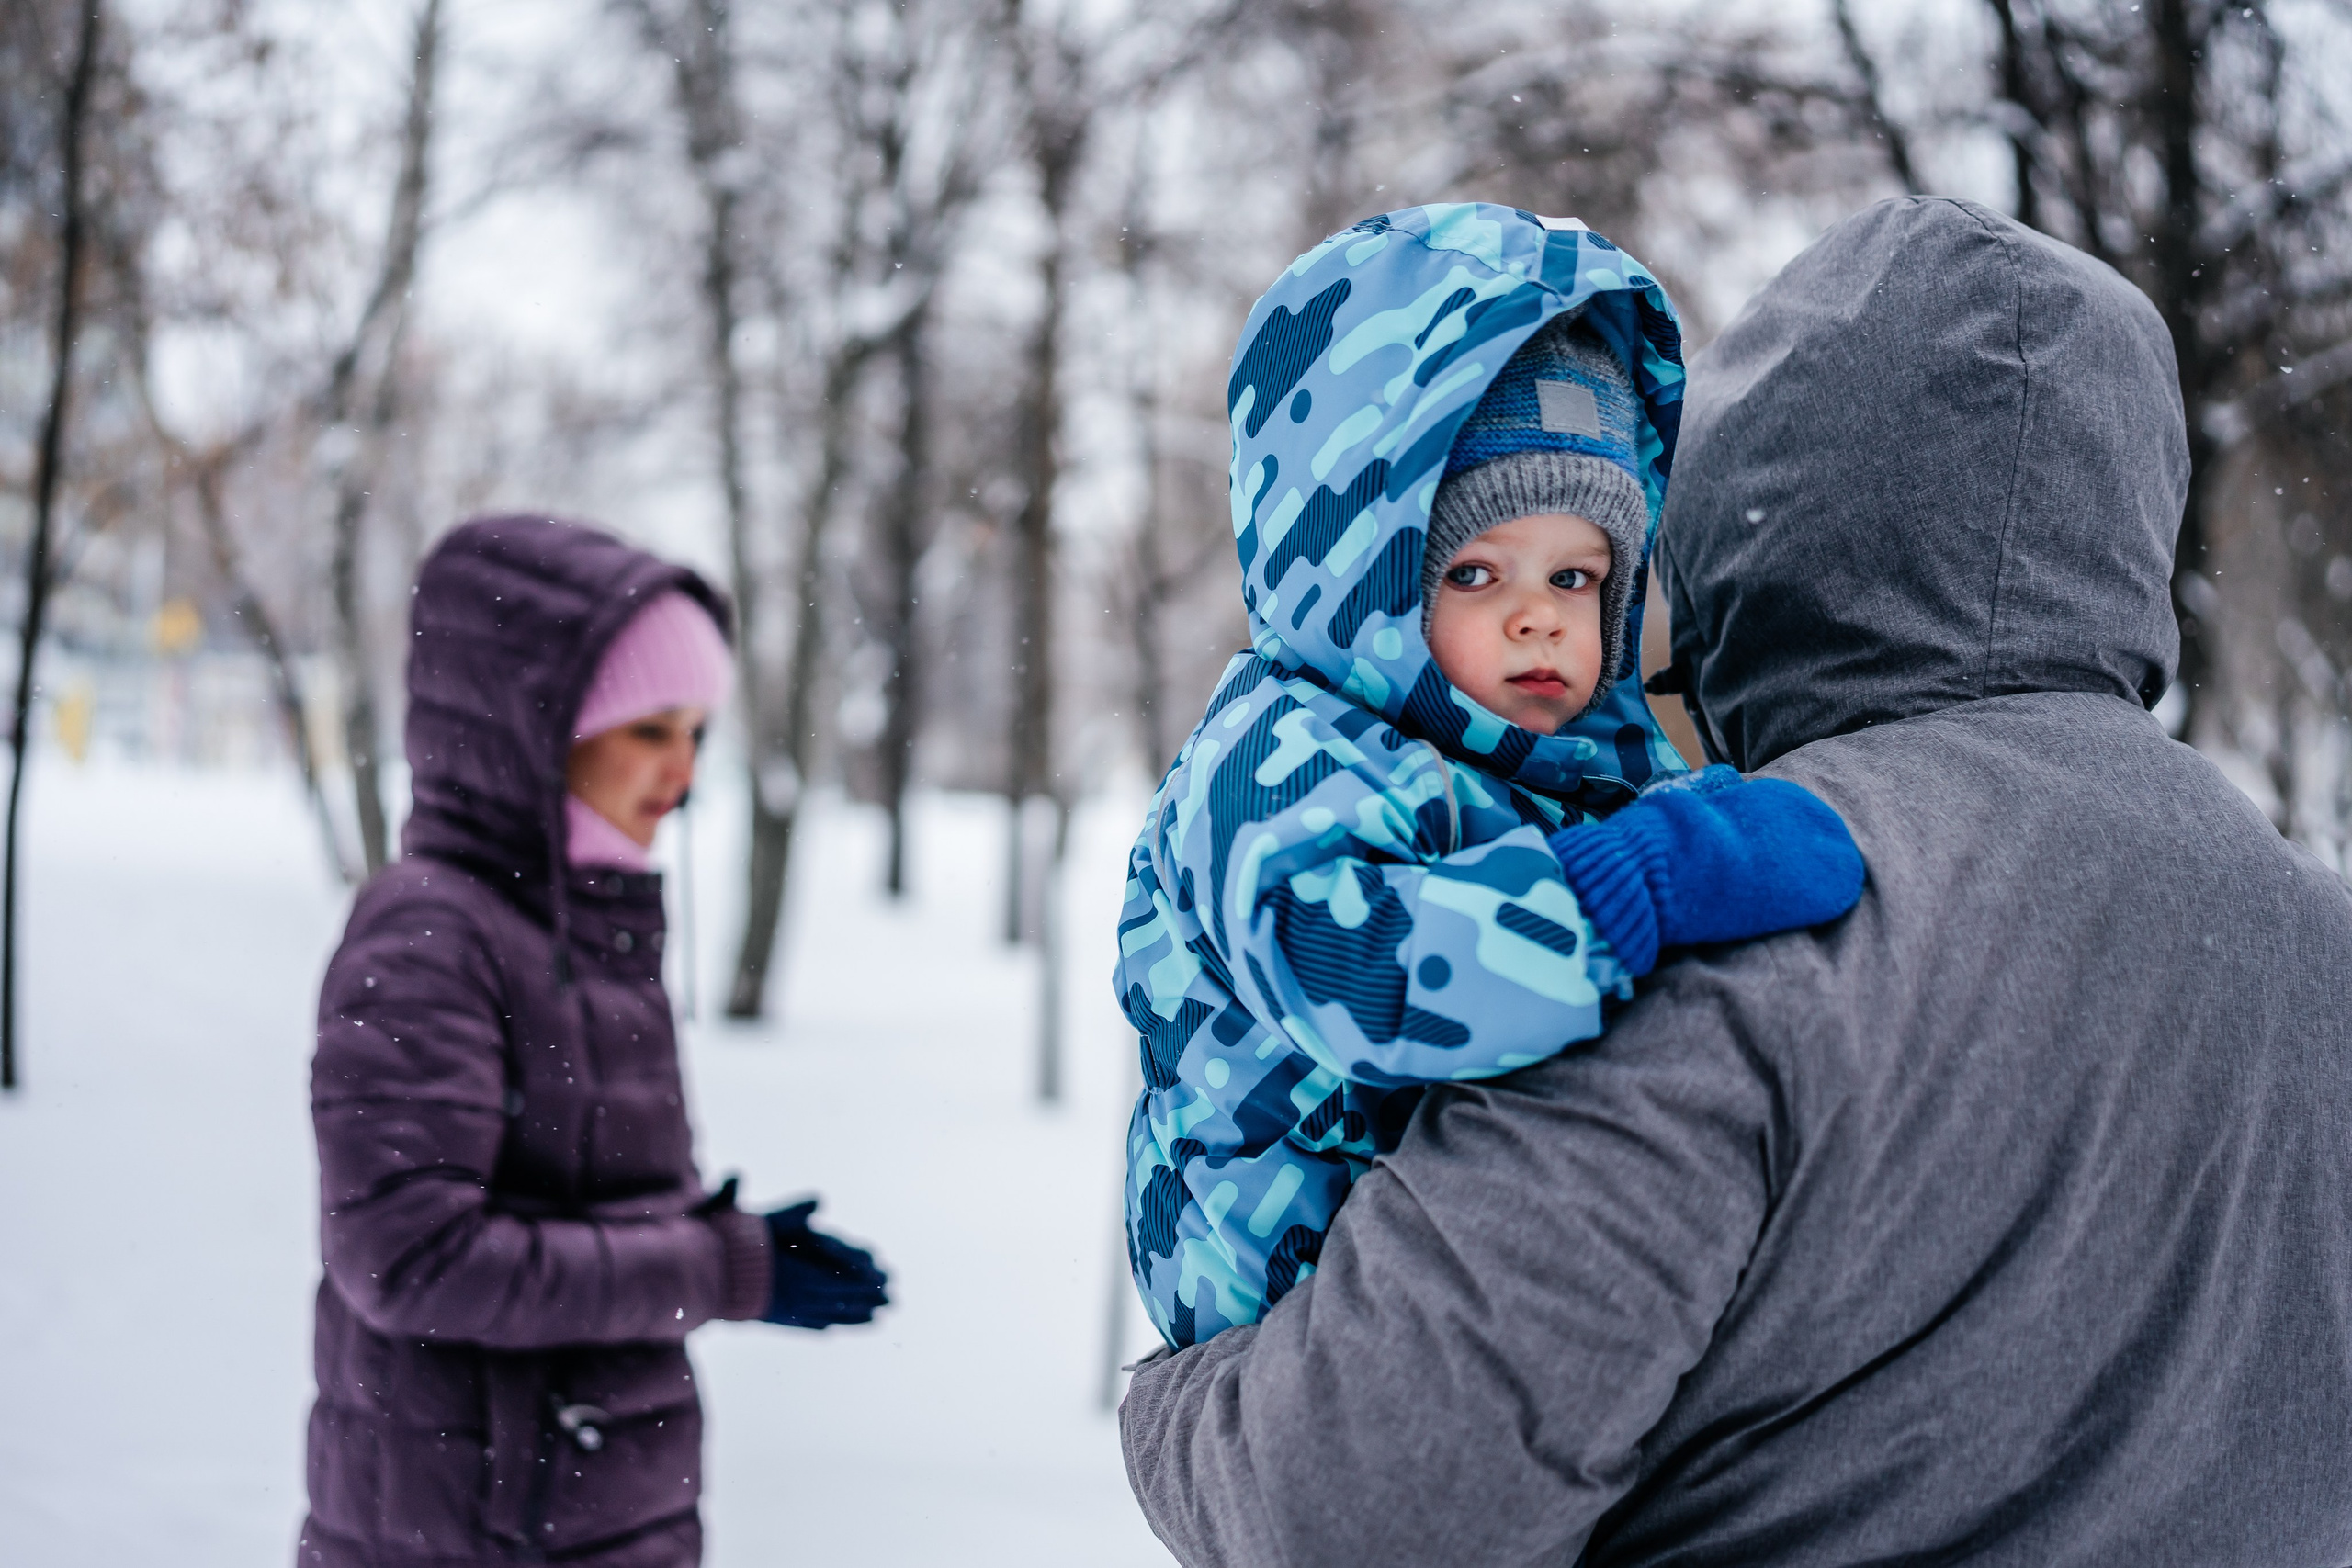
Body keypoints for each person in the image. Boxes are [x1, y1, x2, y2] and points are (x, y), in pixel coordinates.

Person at [1120, 195, 2352, 1567]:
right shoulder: (2319, 942)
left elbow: (1362, 1507)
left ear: (1733, 530)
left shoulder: (1723, 897)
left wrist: (1180, 1396)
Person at [1117, 204, 1864, 1349]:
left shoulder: (1576, 762)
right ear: (1358, 577)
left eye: (1575, 577)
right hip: (1287, 1304)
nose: (1536, 618)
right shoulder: (1276, 754)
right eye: (1473, 571)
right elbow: (1356, 970)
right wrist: (1634, 888)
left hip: (1478, 1277)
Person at [299, 516, 888, 1568]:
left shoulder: (581, 925)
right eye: (649, 730)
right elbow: (413, 1259)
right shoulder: (433, 934)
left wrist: (726, 1245)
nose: (684, 771)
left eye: (698, 731)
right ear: (535, 729)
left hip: (590, 1519)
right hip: (470, 1535)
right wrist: (714, 1267)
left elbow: (569, 1204)